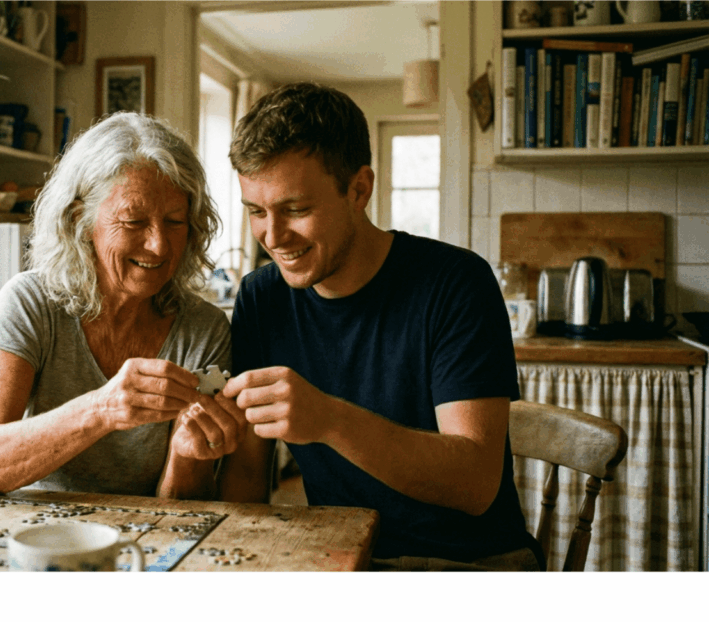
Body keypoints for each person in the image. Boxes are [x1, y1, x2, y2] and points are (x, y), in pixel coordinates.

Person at [219, 83, 544, 571]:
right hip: (343, 559)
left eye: (296, 209)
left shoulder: (456, 283)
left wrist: (328, 419)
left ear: (359, 189)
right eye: (256, 212)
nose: (274, 236)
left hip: (472, 565)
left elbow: (475, 484)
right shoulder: (261, 298)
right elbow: (247, 473)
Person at [0, 112, 248, 500]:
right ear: (81, 220)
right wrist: (102, 409)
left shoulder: (204, 328)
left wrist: (184, 455)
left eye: (175, 222)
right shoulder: (30, 303)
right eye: (133, 222)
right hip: (40, 539)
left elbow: (178, 510)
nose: (160, 245)